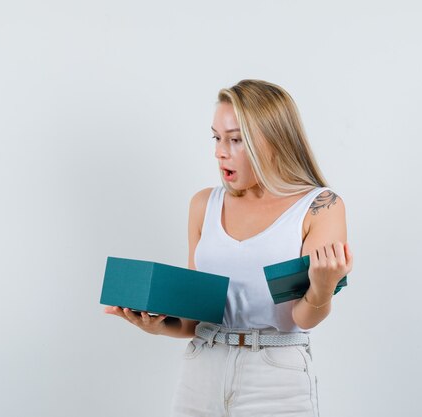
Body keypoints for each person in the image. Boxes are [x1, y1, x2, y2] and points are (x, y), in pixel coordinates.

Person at [104, 79, 353, 416]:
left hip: (275, 375)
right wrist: (159, 325)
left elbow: (302, 317)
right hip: (202, 367)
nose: (220, 151)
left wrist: (322, 289)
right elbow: (198, 315)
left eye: (235, 140)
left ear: (274, 142)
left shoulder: (319, 206)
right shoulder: (203, 204)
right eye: (217, 138)